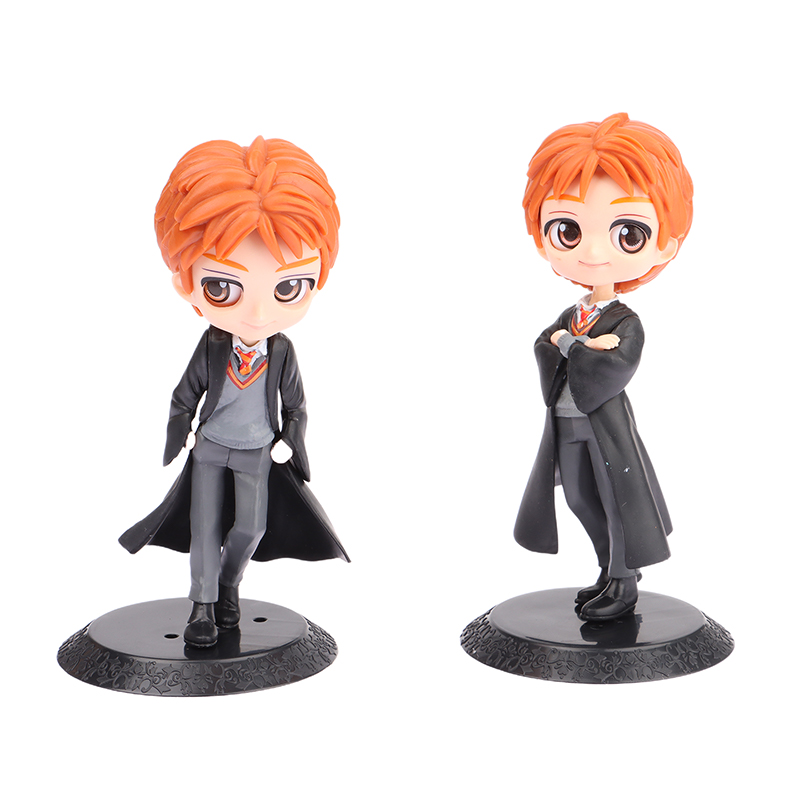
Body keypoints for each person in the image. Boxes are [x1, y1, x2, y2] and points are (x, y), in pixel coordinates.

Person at [119, 136, 348, 647]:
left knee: (251, 527)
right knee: (203, 529)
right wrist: (181, 433)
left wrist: (290, 438)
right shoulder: (211, 346)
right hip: (210, 448)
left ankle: (228, 585)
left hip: (258, 451)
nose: (259, 313)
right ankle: (202, 606)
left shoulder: (282, 351)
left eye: (288, 287)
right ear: (187, 283)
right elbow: (184, 394)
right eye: (222, 287)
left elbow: (297, 405)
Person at [514, 113, 693, 621]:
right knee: (577, 497)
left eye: (628, 233)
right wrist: (578, 344)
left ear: (664, 243)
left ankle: (624, 581)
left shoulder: (625, 320)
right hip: (566, 421)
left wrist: (573, 346)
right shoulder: (575, 314)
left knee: (618, 503)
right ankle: (607, 569)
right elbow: (545, 344)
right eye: (568, 229)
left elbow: (616, 363)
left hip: (604, 426)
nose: (593, 252)